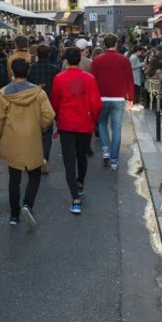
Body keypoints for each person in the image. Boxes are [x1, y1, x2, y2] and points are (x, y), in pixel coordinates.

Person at [0, 58, 55, 229]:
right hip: (32, 138)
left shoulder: (4, 94)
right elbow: (49, 115)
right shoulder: (38, 93)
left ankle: (14, 213)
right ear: (27, 72)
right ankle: (28, 205)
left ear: (12, 72)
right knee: (34, 175)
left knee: (14, 178)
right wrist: (39, 127)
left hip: (11, 140)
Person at [50, 47, 102, 215]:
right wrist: (93, 120)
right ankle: (80, 183)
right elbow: (96, 103)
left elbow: (54, 102)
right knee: (82, 157)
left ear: (66, 60)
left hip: (66, 123)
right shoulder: (89, 78)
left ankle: (75, 198)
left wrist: (57, 117)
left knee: (69, 161)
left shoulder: (59, 78)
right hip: (85, 122)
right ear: (80, 59)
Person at [90, 34, 135, 171]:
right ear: (116, 43)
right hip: (119, 99)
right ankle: (114, 160)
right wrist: (131, 98)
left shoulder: (97, 60)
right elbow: (130, 80)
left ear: (104, 43)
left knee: (102, 124)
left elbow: (93, 81)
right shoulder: (124, 60)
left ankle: (105, 151)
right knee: (116, 128)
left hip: (101, 97)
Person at [27, 45, 59, 173]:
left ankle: (33, 158)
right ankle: (44, 159)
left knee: (34, 133)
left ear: (37, 55)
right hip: (49, 105)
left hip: (33, 104)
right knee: (47, 134)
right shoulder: (55, 69)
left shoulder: (30, 69)